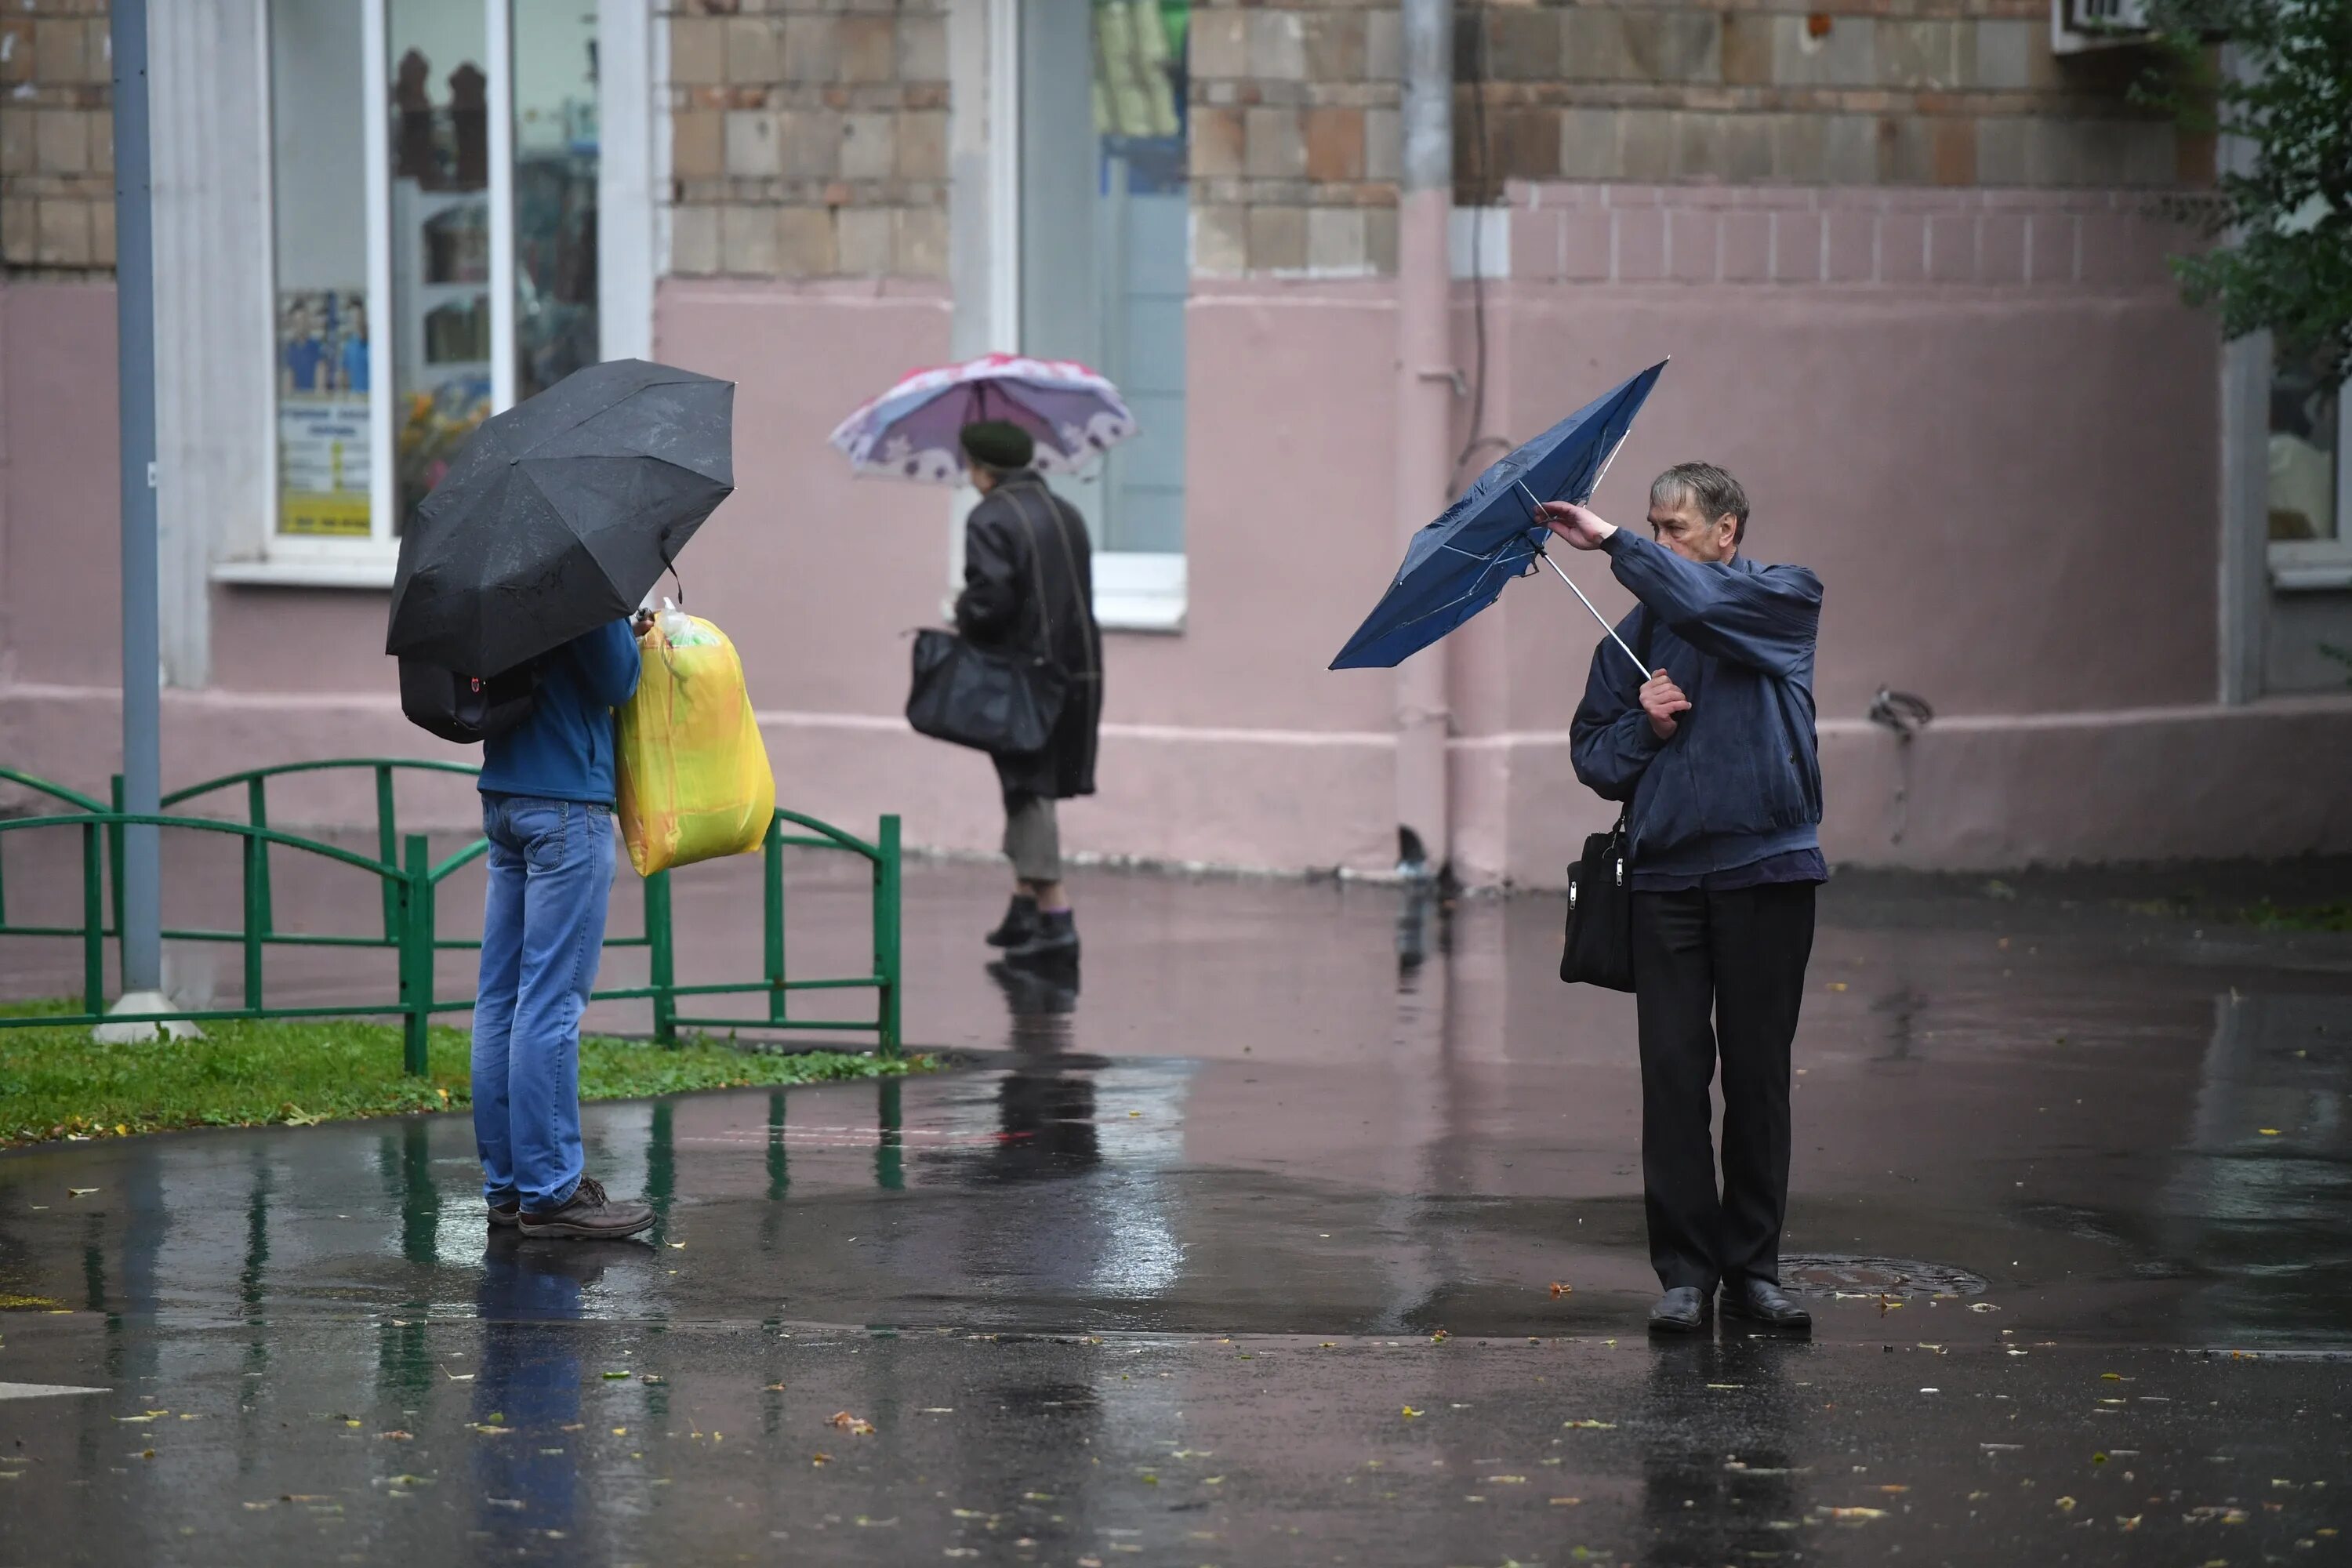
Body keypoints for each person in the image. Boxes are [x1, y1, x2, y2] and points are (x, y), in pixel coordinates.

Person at [1544, 463, 1824, 1336]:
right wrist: (1646, 726)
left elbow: (1706, 610)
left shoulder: (1783, 599)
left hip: (1766, 873)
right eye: (1652, 527)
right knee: (1672, 1079)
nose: (1660, 540)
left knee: (1757, 1076)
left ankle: (1755, 1270)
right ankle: (1683, 1274)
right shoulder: (1627, 639)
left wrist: (1615, 546)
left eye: (1675, 528)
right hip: (1665, 881)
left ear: (1726, 532)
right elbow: (1593, 757)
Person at [472, 616, 655, 1240]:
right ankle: (551, 1192)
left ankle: (508, 1189)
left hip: (504, 792)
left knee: (500, 1002)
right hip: (564, 803)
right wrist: (624, 630)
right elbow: (618, 677)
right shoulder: (572, 580)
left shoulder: (495, 576)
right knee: (550, 1002)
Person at [953, 421, 1103, 964]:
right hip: (1078, 669)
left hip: (1021, 675)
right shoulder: (1066, 512)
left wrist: (962, 612)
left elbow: (991, 604)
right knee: (1032, 780)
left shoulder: (990, 516)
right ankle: (1022, 910)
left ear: (982, 467)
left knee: (1027, 788)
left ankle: (1056, 918)